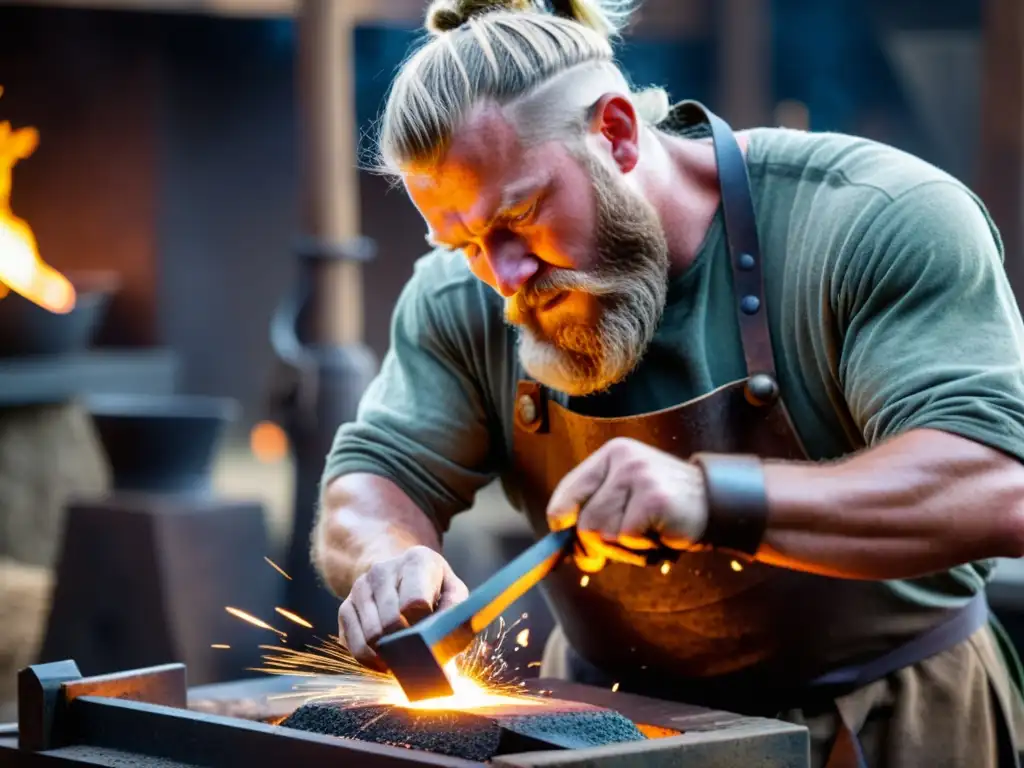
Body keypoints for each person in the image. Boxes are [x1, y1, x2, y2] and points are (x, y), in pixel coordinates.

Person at [313, 0, 1024, 764]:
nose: (504, 276)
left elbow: (998, 484)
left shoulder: (870, 221)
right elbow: (375, 474)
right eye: (464, 243)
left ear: (615, 133)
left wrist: (711, 497)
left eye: (520, 213)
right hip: (607, 733)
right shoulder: (468, 293)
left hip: (891, 722)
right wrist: (389, 560)